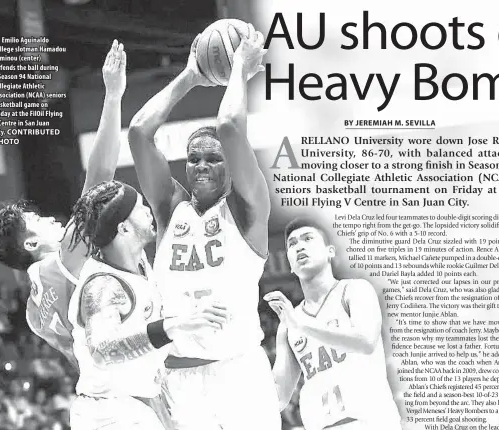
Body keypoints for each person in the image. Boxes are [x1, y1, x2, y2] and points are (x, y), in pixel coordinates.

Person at [128, 26, 281, 429]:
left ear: (232, 167)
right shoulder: (169, 209)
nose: (200, 165)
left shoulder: (248, 209)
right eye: (193, 158)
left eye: (212, 159)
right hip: (179, 376)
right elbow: (140, 133)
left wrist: (239, 69)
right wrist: (191, 76)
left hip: (239, 371)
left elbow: (229, 126)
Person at [0, 40, 127, 369]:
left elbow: (81, 362)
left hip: (99, 401)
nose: (50, 219)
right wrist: (114, 95)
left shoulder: (35, 314)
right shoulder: (62, 259)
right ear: (31, 242)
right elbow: (100, 176)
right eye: (38, 220)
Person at [66, 180, 228, 430]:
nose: (147, 212)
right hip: (108, 415)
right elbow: (102, 350)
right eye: (140, 208)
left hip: (141, 402)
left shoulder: (137, 259)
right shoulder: (104, 286)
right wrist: (174, 326)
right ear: (124, 228)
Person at [265, 218, 403, 430]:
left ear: (330, 251)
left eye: (308, 239)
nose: (299, 246)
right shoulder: (288, 324)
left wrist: (301, 325)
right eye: (292, 244)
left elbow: (365, 341)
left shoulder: (355, 290)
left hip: (371, 422)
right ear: (290, 264)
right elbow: (279, 396)